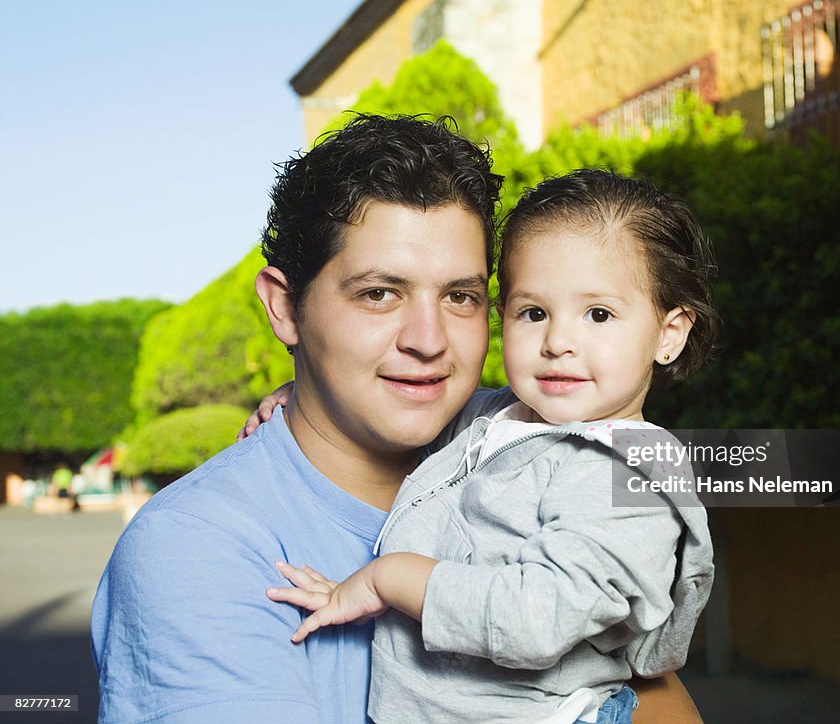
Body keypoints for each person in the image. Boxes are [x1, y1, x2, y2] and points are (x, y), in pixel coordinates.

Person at [91, 114, 704, 724]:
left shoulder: (549, 454)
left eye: (459, 297)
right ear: (286, 308)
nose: (429, 341)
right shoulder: (194, 550)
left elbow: (646, 684)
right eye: (379, 294)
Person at [264, 169, 718, 723]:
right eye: (534, 312)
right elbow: (402, 398)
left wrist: (389, 579)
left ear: (669, 333)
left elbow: (538, 618)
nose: (558, 343)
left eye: (598, 314)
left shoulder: (630, 478)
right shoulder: (497, 417)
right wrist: (302, 390)